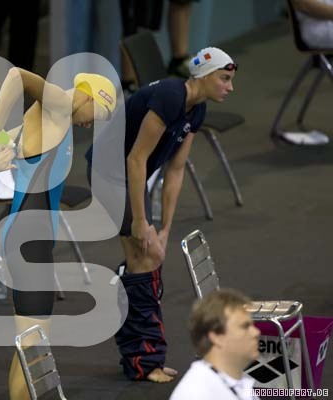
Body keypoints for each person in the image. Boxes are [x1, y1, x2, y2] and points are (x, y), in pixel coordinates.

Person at [85, 47, 237, 383]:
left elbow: (176, 169)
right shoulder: (170, 96)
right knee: (146, 257)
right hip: (108, 174)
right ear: (204, 75)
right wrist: (141, 222)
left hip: (130, 178)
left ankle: (137, 338)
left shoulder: (197, 109)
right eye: (224, 78)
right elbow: (136, 159)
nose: (230, 87)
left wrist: (166, 227)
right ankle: (143, 361)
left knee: (150, 254)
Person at [0, 67, 116, 399]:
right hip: (28, 243)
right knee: (35, 346)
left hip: (30, 242)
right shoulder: (58, 104)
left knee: (31, 343)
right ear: (91, 97)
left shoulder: (48, 121)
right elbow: (17, 75)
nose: (91, 125)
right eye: (99, 115)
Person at [169, 289, 261, 400]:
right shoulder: (196, 394)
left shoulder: (234, 383)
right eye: (245, 326)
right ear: (217, 337)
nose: (256, 332)